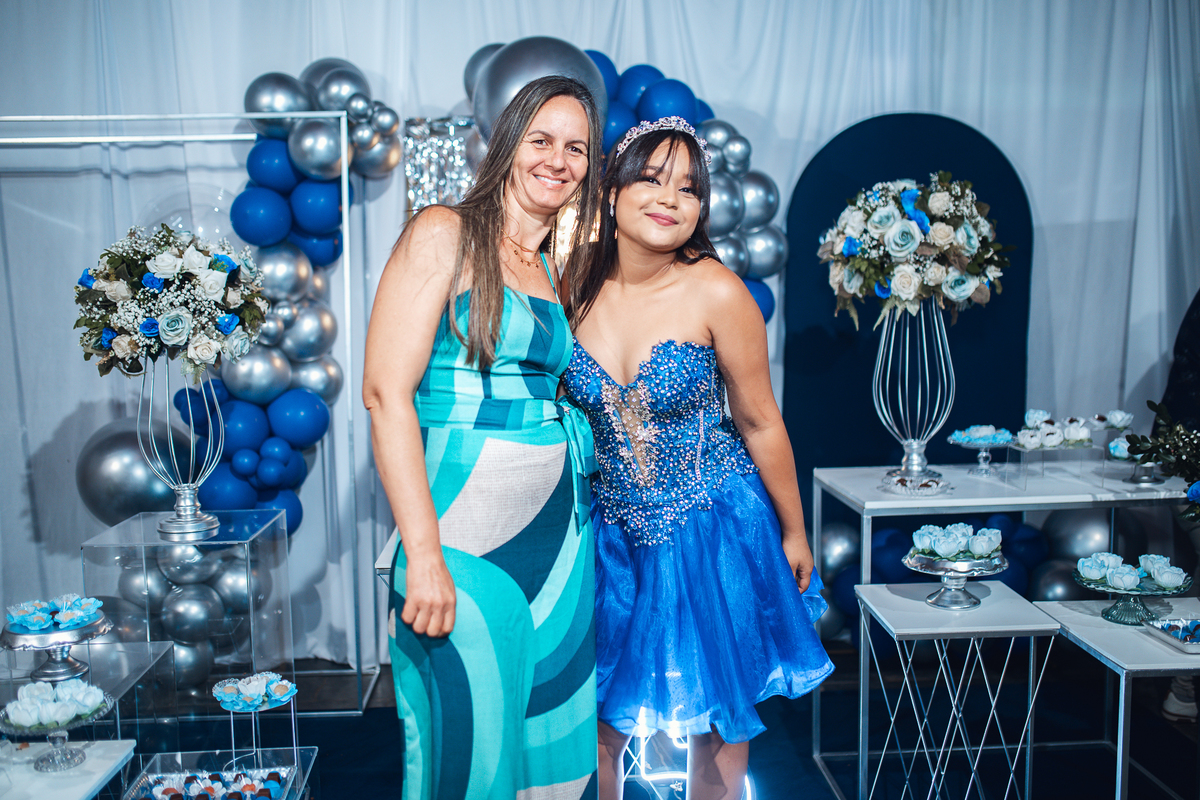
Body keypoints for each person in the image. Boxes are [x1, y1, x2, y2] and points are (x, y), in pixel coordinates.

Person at [561, 117, 834, 800]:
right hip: (611, 534)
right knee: (598, 712)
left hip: (713, 525)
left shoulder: (717, 290)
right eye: (652, 180)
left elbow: (760, 421)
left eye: (689, 188)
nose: (670, 199)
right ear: (611, 193)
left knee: (718, 715)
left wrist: (795, 530)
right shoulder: (571, 286)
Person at [362, 75, 603, 800]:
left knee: (552, 747)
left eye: (577, 148)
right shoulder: (445, 231)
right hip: (462, 537)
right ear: (506, 144)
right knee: (467, 753)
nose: (558, 160)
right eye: (541, 140)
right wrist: (424, 555)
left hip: (558, 547)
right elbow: (385, 395)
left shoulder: (553, 264)